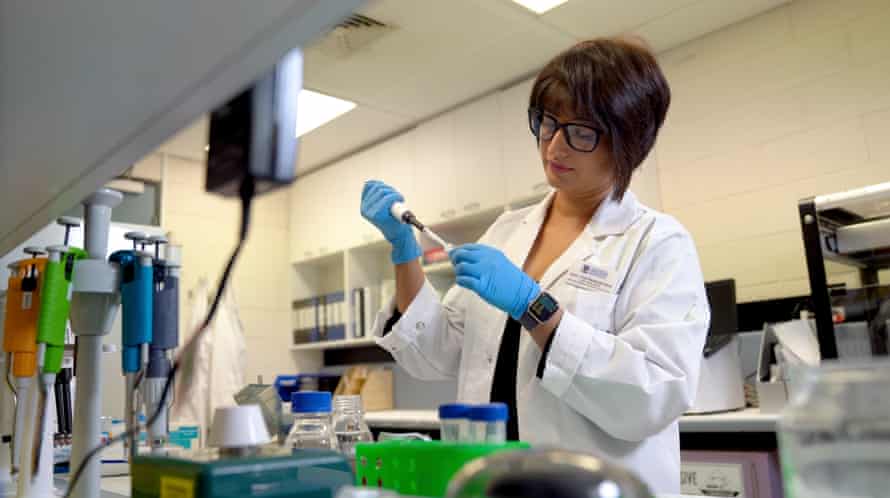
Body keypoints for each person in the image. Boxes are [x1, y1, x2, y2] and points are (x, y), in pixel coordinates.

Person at [360, 36, 709, 494]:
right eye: (547, 122)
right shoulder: (509, 229)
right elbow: (436, 353)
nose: (554, 146)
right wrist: (404, 250)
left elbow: (653, 396)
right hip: (496, 481)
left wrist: (534, 307)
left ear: (630, 140)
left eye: (581, 132)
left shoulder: (657, 242)